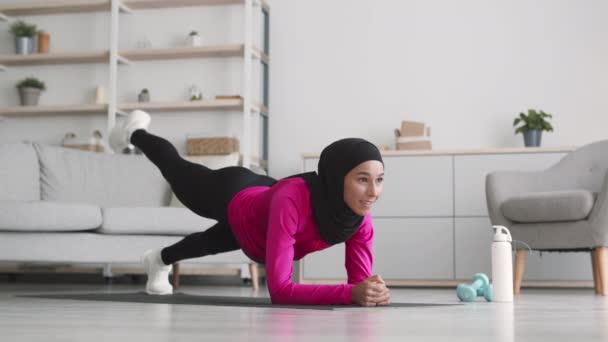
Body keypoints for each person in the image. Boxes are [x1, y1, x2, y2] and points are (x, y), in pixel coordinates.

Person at [109, 110, 390, 306]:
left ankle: (157, 260)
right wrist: (349, 294)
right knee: (176, 169)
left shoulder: (358, 220)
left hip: (258, 224)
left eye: (379, 180)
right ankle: (135, 131)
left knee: (208, 243)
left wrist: (370, 292)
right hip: (234, 193)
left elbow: (359, 287)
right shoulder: (291, 201)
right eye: (362, 180)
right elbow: (280, 292)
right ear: (337, 177)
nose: (373, 192)